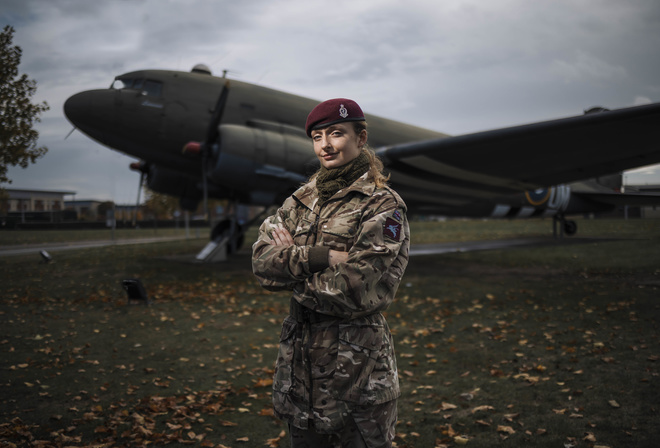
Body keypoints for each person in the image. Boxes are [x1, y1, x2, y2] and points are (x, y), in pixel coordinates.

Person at [252, 98, 410, 447]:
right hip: (300, 374)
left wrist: (290, 266)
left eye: (337, 133)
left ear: (361, 138)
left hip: (357, 376)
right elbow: (262, 265)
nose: (325, 145)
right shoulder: (299, 200)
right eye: (317, 136)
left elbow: (355, 288)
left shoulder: (382, 204)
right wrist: (322, 256)